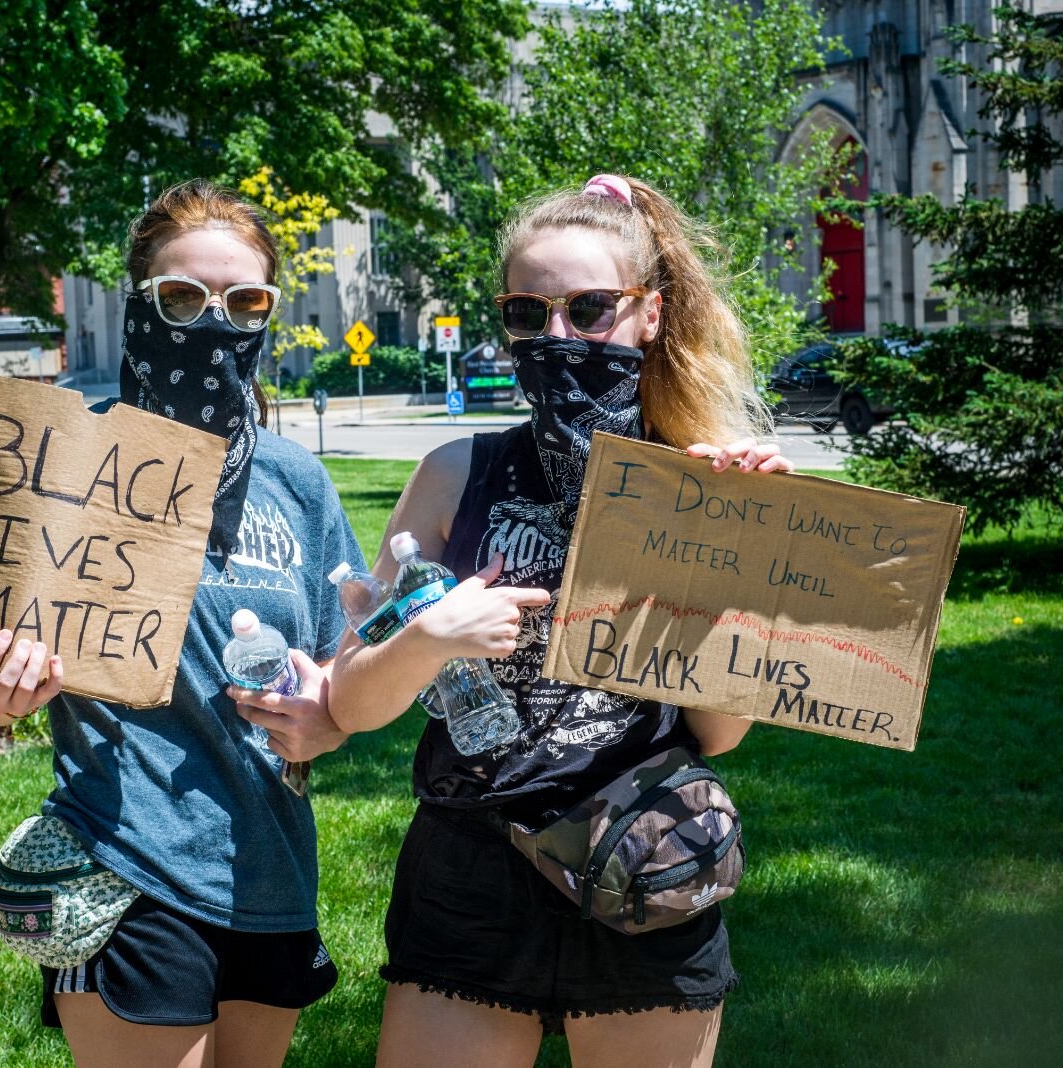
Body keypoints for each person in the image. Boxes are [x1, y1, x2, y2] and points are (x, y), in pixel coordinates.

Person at [329, 174, 794, 1068]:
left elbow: (721, 733)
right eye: (527, 313)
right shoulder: (452, 475)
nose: (557, 337)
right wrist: (429, 637)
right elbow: (352, 704)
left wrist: (742, 555)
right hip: (469, 874)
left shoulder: (699, 486)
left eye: (587, 309)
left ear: (648, 315)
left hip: (646, 853)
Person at [0, 179, 364, 1068]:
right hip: (126, 861)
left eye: (244, 301)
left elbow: (342, 673)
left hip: (272, 872)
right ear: (139, 304)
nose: (212, 322)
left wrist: (330, 716)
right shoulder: (63, 461)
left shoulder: (300, 481)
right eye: (181, 297)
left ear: (269, 314)